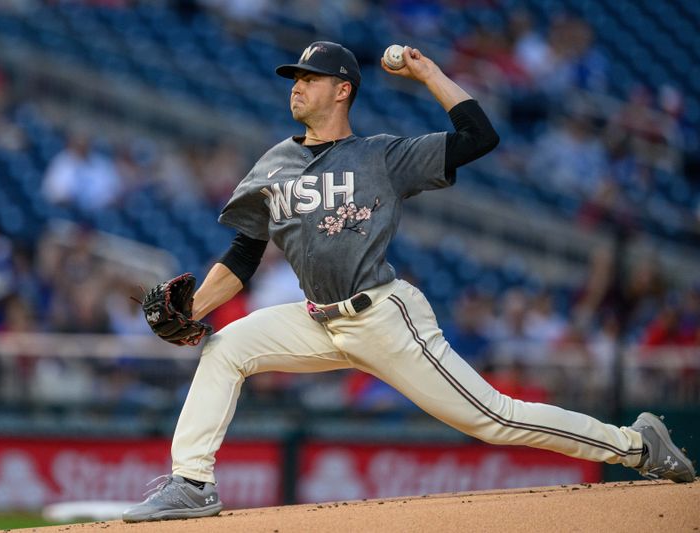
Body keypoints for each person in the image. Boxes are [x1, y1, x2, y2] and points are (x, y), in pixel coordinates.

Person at [123, 42, 695, 522]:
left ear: (343, 89)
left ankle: (638, 445)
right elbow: (245, 253)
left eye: (309, 77)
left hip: (383, 316)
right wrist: (194, 308)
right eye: (294, 77)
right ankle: (193, 483)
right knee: (225, 348)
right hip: (315, 318)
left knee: (493, 418)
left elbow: (479, 137)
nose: (296, 85)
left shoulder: (381, 156)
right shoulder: (273, 164)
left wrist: (426, 72)